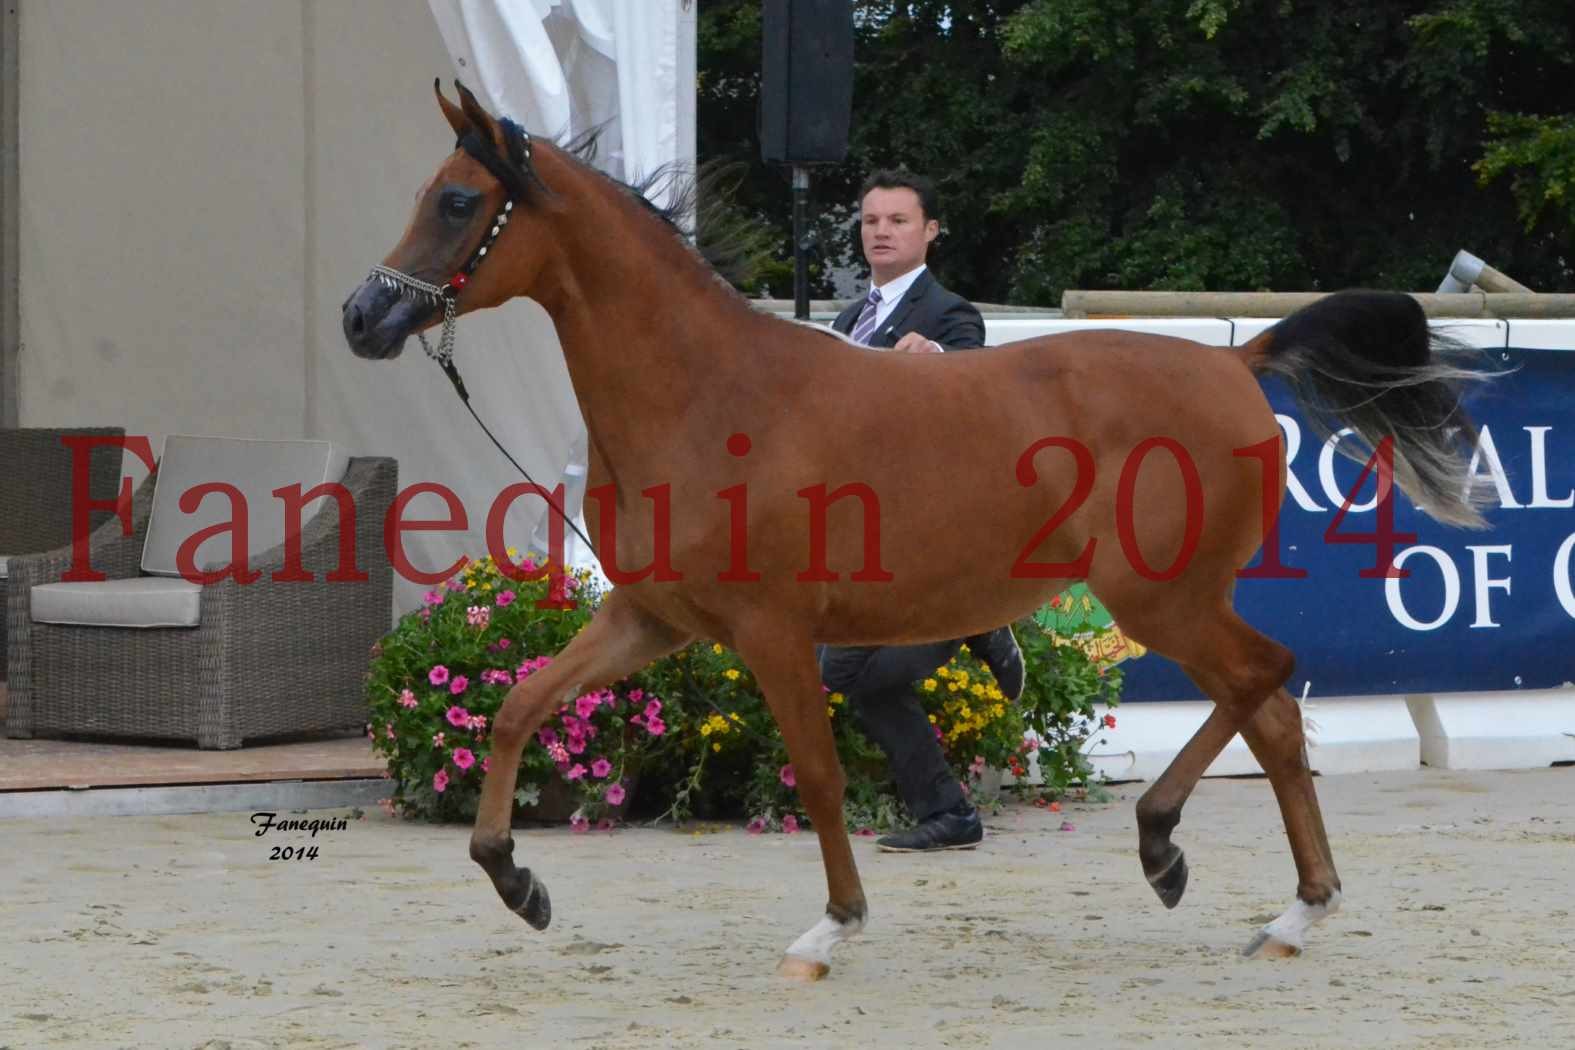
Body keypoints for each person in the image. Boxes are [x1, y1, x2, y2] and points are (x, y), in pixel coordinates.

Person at [819, 169, 1025, 853]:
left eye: (897, 220)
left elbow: (979, 389)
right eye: (871, 219)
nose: (880, 230)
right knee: (861, 679)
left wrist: (935, 360)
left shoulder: (948, 313)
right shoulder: (849, 322)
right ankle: (949, 813)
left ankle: (981, 616)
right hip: (870, 538)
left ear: (930, 232)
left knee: (841, 673)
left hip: (936, 541)